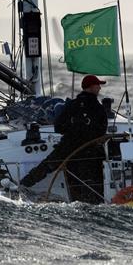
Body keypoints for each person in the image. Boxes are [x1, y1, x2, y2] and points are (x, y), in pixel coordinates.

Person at [20, 75, 108, 203]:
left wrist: (74, 131)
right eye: (98, 85)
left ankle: (22, 186)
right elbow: (102, 132)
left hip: (68, 147)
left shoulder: (72, 105)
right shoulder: (98, 108)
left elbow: (59, 127)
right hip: (90, 151)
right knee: (93, 179)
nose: (99, 87)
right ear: (91, 87)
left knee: (47, 166)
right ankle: (95, 201)